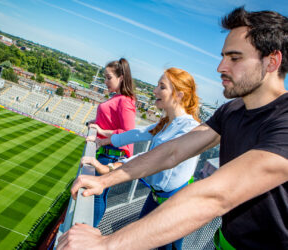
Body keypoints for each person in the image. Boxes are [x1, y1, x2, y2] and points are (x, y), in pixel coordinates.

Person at [57, 7, 288, 250]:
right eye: (223, 56)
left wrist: (105, 245)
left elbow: (217, 195)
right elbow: (172, 151)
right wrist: (106, 180)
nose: (220, 67)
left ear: (272, 61)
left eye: (234, 58)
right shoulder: (231, 111)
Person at [83, 67, 200, 249]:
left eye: (162, 87)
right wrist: (105, 139)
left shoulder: (189, 128)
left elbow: (153, 157)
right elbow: (138, 133)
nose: (155, 91)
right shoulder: (169, 122)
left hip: (173, 207)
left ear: (179, 95)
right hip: (157, 198)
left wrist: (112, 168)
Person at [88, 58, 136, 227]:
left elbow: (128, 133)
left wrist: (101, 132)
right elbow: (111, 122)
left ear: (121, 78)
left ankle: (89, 230)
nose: (105, 81)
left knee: (97, 195)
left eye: (109, 78)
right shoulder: (118, 98)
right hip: (106, 152)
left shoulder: (125, 100)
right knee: (98, 195)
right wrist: (96, 124)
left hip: (110, 155)